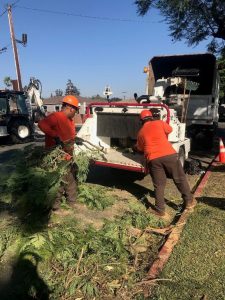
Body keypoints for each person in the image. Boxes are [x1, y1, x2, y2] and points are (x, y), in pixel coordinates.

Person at [133, 109, 194, 217]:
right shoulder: (159, 123)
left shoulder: (140, 132)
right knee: (179, 178)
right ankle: (189, 202)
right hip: (169, 155)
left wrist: (134, 147)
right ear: (151, 117)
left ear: (141, 120)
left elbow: (140, 148)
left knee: (159, 185)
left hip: (153, 159)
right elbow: (169, 129)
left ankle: (160, 210)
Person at [38, 95, 79, 210]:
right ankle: (56, 205)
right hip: (55, 155)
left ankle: (72, 201)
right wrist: (54, 136)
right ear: (71, 108)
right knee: (57, 180)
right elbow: (41, 125)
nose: (76, 112)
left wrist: (76, 141)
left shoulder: (70, 121)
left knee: (71, 178)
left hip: (67, 155)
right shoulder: (56, 116)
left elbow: (70, 135)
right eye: (76, 110)